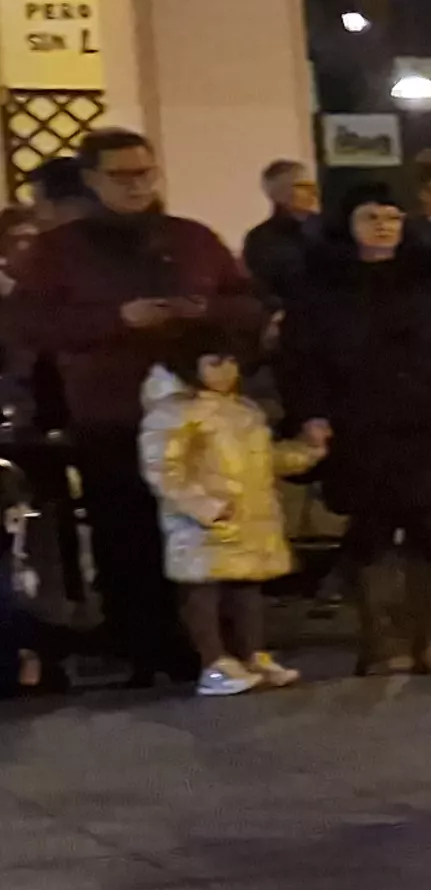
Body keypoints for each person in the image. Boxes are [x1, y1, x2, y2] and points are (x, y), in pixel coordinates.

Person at [0, 128, 262, 684]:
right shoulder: (59, 250)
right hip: (113, 413)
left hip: (201, 417)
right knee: (127, 534)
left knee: (204, 530)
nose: (136, 185)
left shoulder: (191, 238)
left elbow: (248, 305)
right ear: (92, 180)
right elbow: (28, 324)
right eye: (120, 176)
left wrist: (203, 311)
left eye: (144, 173)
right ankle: (143, 647)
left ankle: (215, 646)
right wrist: (116, 319)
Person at [289, 184, 431, 677]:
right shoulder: (323, 285)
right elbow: (302, 357)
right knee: (370, 529)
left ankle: (426, 640)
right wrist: (312, 414)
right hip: (359, 422)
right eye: (371, 217)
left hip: (430, 420)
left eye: (392, 218)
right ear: (349, 224)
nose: (383, 227)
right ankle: (377, 642)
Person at [140, 335, 312, 696]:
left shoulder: (242, 410)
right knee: (204, 591)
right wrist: (204, 506)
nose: (226, 371)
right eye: (215, 363)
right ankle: (213, 662)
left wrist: (306, 451)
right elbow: (162, 469)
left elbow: (265, 459)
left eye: (231, 362)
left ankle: (252, 655)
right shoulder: (175, 412)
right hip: (202, 523)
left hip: (246, 519)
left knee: (246, 589)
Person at [241, 161, 318, 309]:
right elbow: (266, 292)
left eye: (312, 185)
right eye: (302, 186)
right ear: (278, 194)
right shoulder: (261, 240)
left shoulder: (329, 229)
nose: (313, 191)